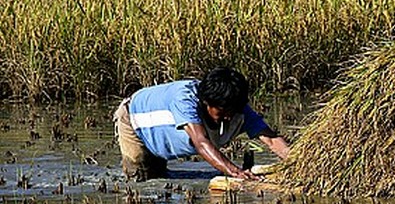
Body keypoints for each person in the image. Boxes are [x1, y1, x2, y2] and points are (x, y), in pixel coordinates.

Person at [113, 67, 290, 180]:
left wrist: (297, 162)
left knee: (160, 175)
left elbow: (271, 140)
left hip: (165, 138)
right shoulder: (185, 100)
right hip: (134, 120)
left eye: (232, 112)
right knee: (140, 178)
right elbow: (201, 142)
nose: (229, 118)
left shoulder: (237, 108)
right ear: (206, 103)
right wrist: (235, 172)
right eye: (222, 113)